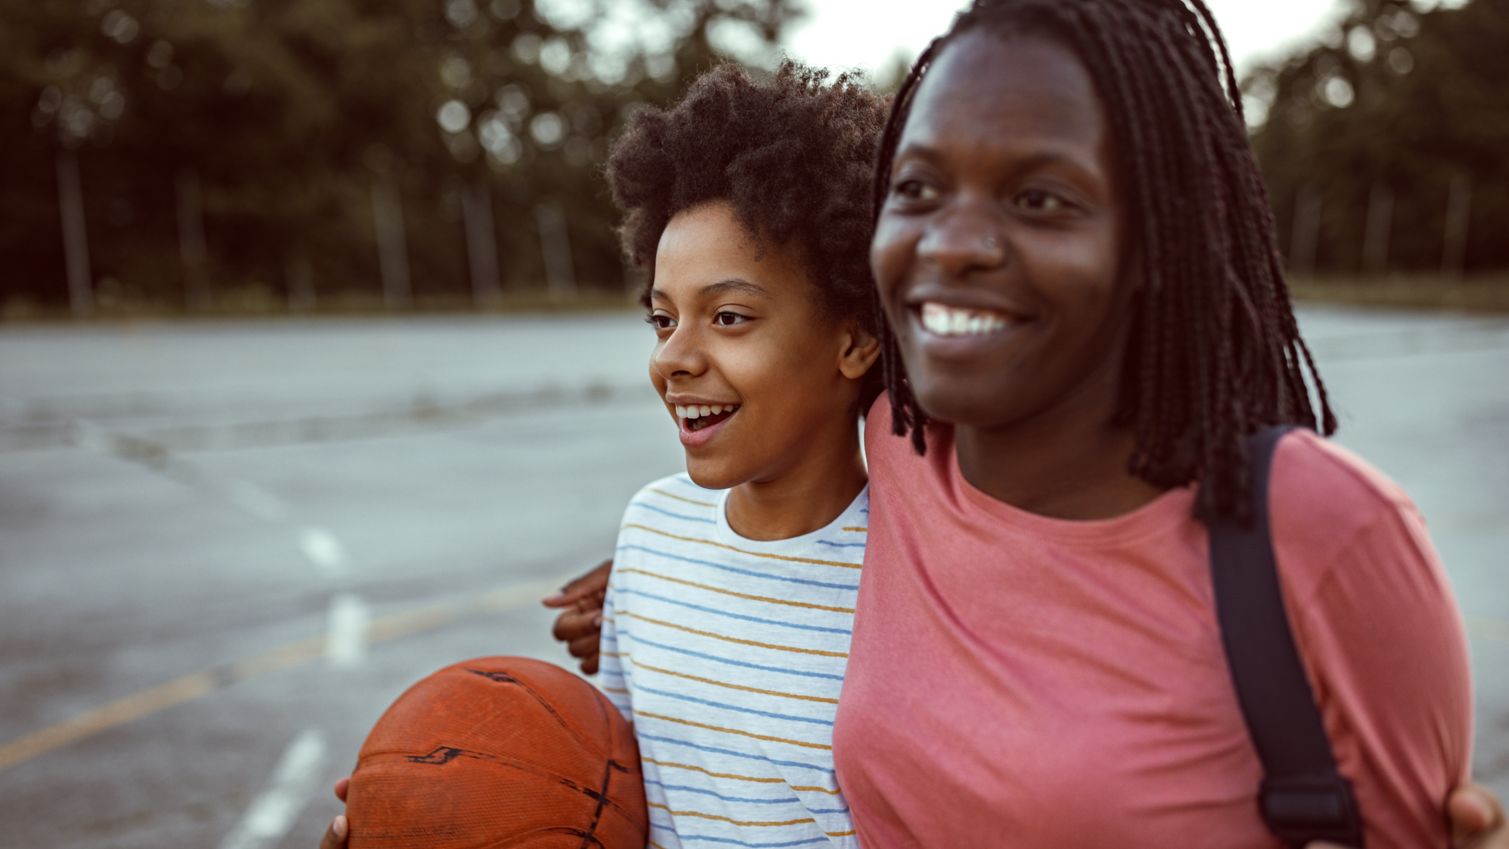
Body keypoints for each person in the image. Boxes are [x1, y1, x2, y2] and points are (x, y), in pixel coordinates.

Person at [542, 1, 1509, 847]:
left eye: (1039, 197)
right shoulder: (906, 447)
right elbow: (780, 452)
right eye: (916, 189)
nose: (951, 242)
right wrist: (664, 571)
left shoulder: (1325, 537)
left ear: (1158, 238)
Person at [320, 60, 887, 849]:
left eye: (727, 317)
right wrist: (436, 810)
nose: (673, 358)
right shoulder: (653, 531)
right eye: (662, 320)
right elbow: (615, 800)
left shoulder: (912, 578)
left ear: (855, 337)